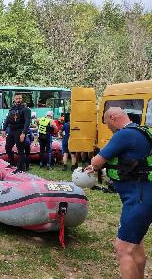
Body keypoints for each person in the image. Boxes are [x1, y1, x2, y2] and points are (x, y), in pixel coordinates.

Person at [85, 107, 152, 279]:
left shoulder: (124, 134)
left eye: (108, 124)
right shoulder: (141, 132)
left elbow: (97, 160)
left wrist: (95, 165)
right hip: (144, 194)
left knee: (123, 248)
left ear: (113, 118)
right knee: (135, 245)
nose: (108, 127)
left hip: (139, 197)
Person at [1, 93, 31, 173]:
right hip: (11, 131)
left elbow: (27, 122)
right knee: (8, 147)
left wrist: (23, 133)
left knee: (20, 149)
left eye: (20, 98)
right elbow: (7, 119)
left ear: (22, 99)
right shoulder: (12, 109)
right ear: (14, 99)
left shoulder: (26, 109)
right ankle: (12, 162)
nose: (19, 100)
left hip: (20, 130)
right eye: (17, 98)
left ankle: (21, 168)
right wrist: (3, 129)